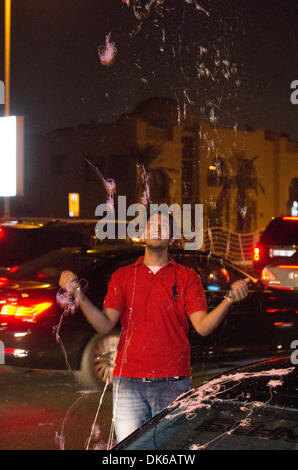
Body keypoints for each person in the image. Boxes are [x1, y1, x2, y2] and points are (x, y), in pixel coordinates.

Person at [59, 211, 249, 443]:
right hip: (128, 384)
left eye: (163, 226)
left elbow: (202, 326)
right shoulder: (123, 276)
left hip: (174, 383)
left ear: (172, 239)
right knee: (131, 450)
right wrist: (79, 294)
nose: (156, 228)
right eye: (151, 224)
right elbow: (105, 324)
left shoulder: (188, 277)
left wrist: (228, 299)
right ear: (142, 234)